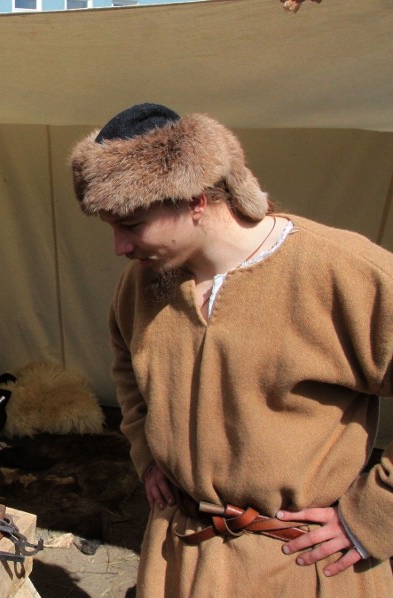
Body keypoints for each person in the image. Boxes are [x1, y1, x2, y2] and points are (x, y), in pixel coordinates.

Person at [70, 103, 392, 595]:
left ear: (196, 200)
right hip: (177, 559)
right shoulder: (138, 288)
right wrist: (146, 452)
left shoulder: (341, 271)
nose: (118, 247)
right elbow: (128, 373)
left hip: (300, 567)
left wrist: (374, 515)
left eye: (131, 225)